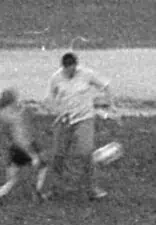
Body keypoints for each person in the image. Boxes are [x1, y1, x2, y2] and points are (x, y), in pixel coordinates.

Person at [39, 51, 113, 201]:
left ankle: (92, 189)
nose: (70, 72)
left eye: (72, 69)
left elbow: (105, 86)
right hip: (64, 120)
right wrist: (56, 110)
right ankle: (53, 189)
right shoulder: (56, 78)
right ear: (63, 67)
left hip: (84, 119)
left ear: (76, 66)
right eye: (67, 70)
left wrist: (107, 102)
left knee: (85, 152)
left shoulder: (87, 74)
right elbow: (49, 99)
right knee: (58, 155)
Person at [0, 89, 46, 208]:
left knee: (12, 180)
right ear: (13, 100)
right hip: (25, 147)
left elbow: (8, 133)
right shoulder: (17, 115)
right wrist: (33, 155)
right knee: (43, 167)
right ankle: (38, 191)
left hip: (13, 148)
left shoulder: (3, 113)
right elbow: (21, 138)